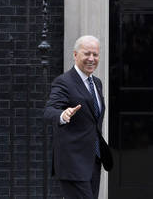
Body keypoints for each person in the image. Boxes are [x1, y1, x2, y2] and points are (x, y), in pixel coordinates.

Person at [44, 35, 112, 199]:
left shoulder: (96, 82)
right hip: (73, 162)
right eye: (87, 54)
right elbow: (49, 110)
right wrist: (63, 114)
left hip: (93, 159)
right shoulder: (64, 82)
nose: (91, 59)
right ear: (75, 55)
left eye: (95, 55)